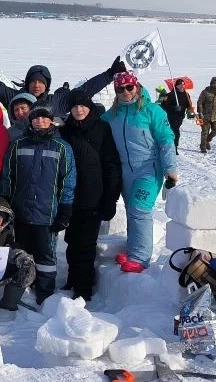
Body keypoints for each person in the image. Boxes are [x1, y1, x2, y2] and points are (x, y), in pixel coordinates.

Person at [101, 71, 178, 273]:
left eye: (129, 87)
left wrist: (170, 169)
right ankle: (133, 250)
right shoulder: (112, 115)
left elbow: (166, 139)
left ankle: (140, 258)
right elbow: (91, 125)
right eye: (120, 89)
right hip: (125, 171)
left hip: (148, 169)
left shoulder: (152, 111)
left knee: (140, 209)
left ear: (137, 86)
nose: (126, 92)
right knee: (131, 210)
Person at [1, 105, 76, 304]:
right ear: (31, 121)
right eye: (36, 118)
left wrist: (65, 208)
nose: (40, 121)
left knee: (46, 257)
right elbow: (8, 175)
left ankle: (45, 294)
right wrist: (5, 201)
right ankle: (19, 288)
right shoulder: (18, 145)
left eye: (44, 118)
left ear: (51, 121)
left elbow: (68, 180)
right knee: (20, 253)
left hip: (47, 214)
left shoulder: (62, 147)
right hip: (20, 212)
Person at [59, 92, 122, 300]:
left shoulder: (102, 128)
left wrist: (110, 199)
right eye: (75, 106)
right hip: (70, 196)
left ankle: (83, 288)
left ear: (90, 107)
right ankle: (72, 278)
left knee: (86, 244)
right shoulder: (65, 130)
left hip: (93, 196)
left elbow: (111, 164)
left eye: (83, 106)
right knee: (71, 240)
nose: (79, 110)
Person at [0, 46, 122, 117]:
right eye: (33, 81)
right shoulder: (16, 99)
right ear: (27, 83)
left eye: (41, 82)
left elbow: (85, 90)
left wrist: (109, 74)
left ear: (46, 85)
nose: (36, 85)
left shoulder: (58, 102)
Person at [162, 81, 196, 154]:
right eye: (180, 85)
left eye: (183, 84)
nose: (182, 86)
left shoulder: (186, 94)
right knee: (176, 132)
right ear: (176, 86)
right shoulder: (170, 95)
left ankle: (170, 142)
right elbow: (163, 105)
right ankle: (174, 147)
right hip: (172, 116)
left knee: (174, 131)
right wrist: (174, 108)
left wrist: (190, 109)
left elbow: (188, 105)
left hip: (180, 116)